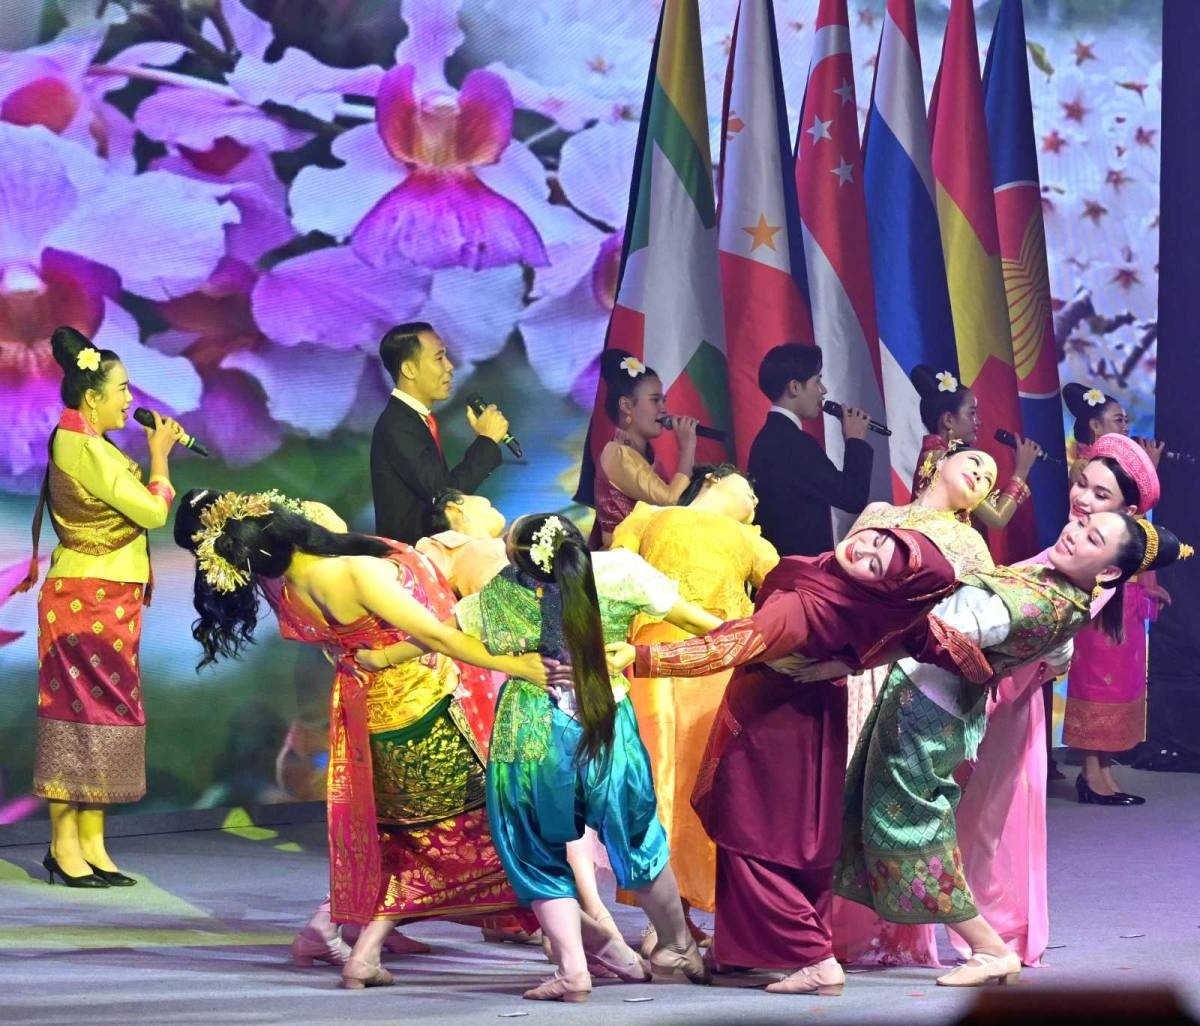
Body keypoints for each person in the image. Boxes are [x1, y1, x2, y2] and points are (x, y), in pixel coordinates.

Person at [174, 490, 548, 989]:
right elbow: (436, 635)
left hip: (365, 708)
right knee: (492, 827)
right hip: (417, 709)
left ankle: (353, 937)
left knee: (394, 835)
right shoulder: (350, 571)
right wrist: (514, 664)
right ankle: (582, 938)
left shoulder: (282, 585)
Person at [606, 525, 981, 997]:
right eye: (876, 540)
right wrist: (981, 676)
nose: (862, 548)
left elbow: (732, 644)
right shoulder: (876, 604)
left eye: (874, 564)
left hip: (773, 730)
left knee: (753, 839)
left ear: (884, 587)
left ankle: (814, 959)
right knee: (791, 841)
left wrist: (643, 657)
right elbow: (948, 647)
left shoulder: (810, 605)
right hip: (811, 722)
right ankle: (750, 956)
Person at [831, 513, 1189, 988]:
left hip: (928, 713)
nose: (1074, 532)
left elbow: (944, 631)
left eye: (1092, 537)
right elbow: (1057, 657)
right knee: (869, 812)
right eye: (1081, 522)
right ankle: (811, 938)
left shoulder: (1037, 600)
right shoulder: (1065, 594)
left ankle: (988, 947)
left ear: (1107, 573)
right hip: (930, 701)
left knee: (907, 829)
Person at [454, 514, 722, 1002]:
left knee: (533, 848)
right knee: (637, 836)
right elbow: (704, 626)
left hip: (530, 731)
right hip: (606, 721)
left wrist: (508, 663)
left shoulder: (496, 594)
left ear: (517, 561)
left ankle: (574, 969)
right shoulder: (620, 572)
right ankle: (678, 947)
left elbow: (449, 633)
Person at [12, 326, 184, 888]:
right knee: (76, 714)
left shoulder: (93, 444)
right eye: (123, 389)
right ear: (92, 397)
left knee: (107, 714)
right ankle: (63, 846)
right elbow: (153, 512)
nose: (130, 400)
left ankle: (93, 842)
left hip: (109, 594)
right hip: (85, 594)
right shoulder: (79, 445)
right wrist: (160, 461)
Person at [608, 466, 778, 947]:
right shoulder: (647, 517)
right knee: (660, 779)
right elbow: (612, 584)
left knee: (718, 781)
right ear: (717, 479)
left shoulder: (753, 541)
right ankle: (665, 917)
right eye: (752, 490)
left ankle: (725, 914)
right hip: (654, 659)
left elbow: (783, 591)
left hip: (721, 666)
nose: (755, 502)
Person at [1061, 384, 1169, 803]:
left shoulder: (1110, 471)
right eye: (1119, 420)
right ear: (1096, 426)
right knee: (1097, 672)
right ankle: (1090, 772)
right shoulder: (1086, 472)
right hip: (1097, 580)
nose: (1127, 426)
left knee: (1119, 671)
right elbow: (1115, 524)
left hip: (1118, 579)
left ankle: (1102, 769)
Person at [370, 322, 510, 544]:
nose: (450, 366)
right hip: (417, 563)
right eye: (439, 358)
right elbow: (445, 496)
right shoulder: (397, 426)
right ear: (409, 369)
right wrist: (487, 441)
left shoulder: (414, 419)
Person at [748, 343, 872, 557]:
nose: (823, 391)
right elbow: (853, 497)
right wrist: (855, 441)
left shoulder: (769, 438)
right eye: (817, 381)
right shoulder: (792, 443)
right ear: (795, 387)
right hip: (801, 574)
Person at [590, 348, 699, 547]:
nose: (663, 409)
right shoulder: (617, 454)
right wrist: (687, 448)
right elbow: (670, 500)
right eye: (654, 400)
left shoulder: (645, 453)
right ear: (626, 406)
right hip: (623, 562)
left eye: (663, 400)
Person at [909, 364, 1040, 529]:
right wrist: (1022, 470)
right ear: (948, 420)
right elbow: (997, 518)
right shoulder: (948, 462)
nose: (978, 421)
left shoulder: (933, 455)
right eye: (971, 413)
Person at [414, 489, 509, 599]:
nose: (487, 501)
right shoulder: (438, 552)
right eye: (470, 495)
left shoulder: (506, 545)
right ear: (452, 507)